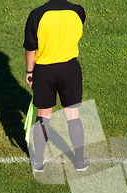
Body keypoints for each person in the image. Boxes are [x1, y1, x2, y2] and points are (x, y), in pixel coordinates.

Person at [23, 0, 89, 172]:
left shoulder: (36, 14)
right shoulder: (78, 11)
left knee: (43, 116)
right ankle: (80, 161)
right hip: (70, 69)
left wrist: (29, 72)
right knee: (73, 114)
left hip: (45, 71)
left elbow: (31, 48)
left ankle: (38, 162)